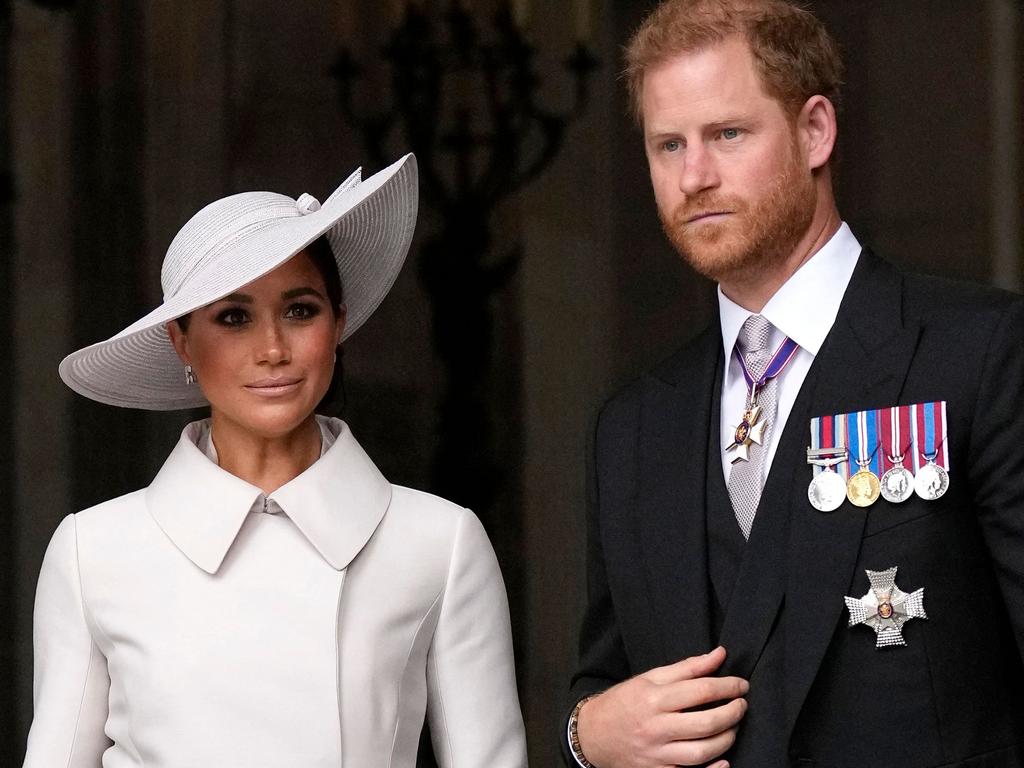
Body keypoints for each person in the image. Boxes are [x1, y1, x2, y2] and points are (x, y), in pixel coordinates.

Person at [564, 2, 1024, 767]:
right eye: (667, 144)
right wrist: (584, 738)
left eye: (727, 134)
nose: (694, 176)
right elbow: (604, 685)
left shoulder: (980, 352)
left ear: (815, 131)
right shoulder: (631, 430)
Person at [24, 154, 527, 768]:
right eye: (233, 317)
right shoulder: (91, 553)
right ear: (181, 341)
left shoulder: (440, 543)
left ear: (337, 324)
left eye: (300, 310)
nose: (271, 349)